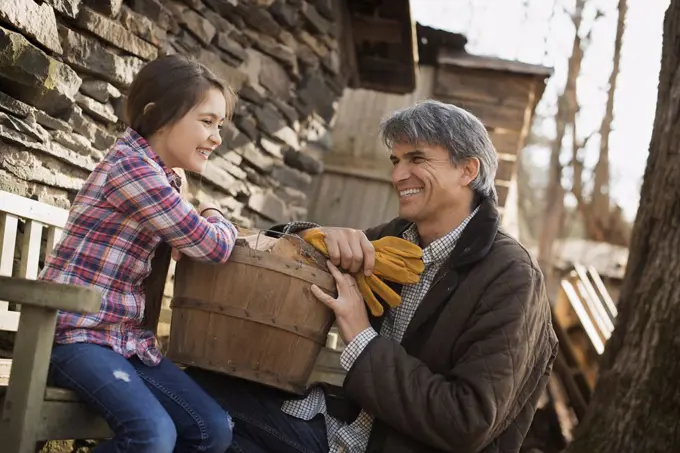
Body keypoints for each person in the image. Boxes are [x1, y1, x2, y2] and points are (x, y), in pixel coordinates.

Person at [187, 99, 559, 453]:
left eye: (416, 158)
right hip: (337, 421)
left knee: (198, 412)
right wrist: (311, 236)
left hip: (376, 445)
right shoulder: (394, 239)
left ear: (467, 170)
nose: (398, 175)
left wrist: (361, 335)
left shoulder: (512, 276)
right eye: (395, 160)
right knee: (192, 389)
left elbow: (467, 420)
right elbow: (279, 263)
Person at [39, 54, 238, 453]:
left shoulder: (159, 174)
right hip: (74, 335)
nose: (217, 137)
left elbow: (186, 237)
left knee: (212, 429)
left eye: (220, 125)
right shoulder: (132, 169)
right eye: (206, 122)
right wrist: (214, 214)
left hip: (124, 341)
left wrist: (189, 215)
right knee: (152, 435)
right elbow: (210, 245)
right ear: (158, 117)